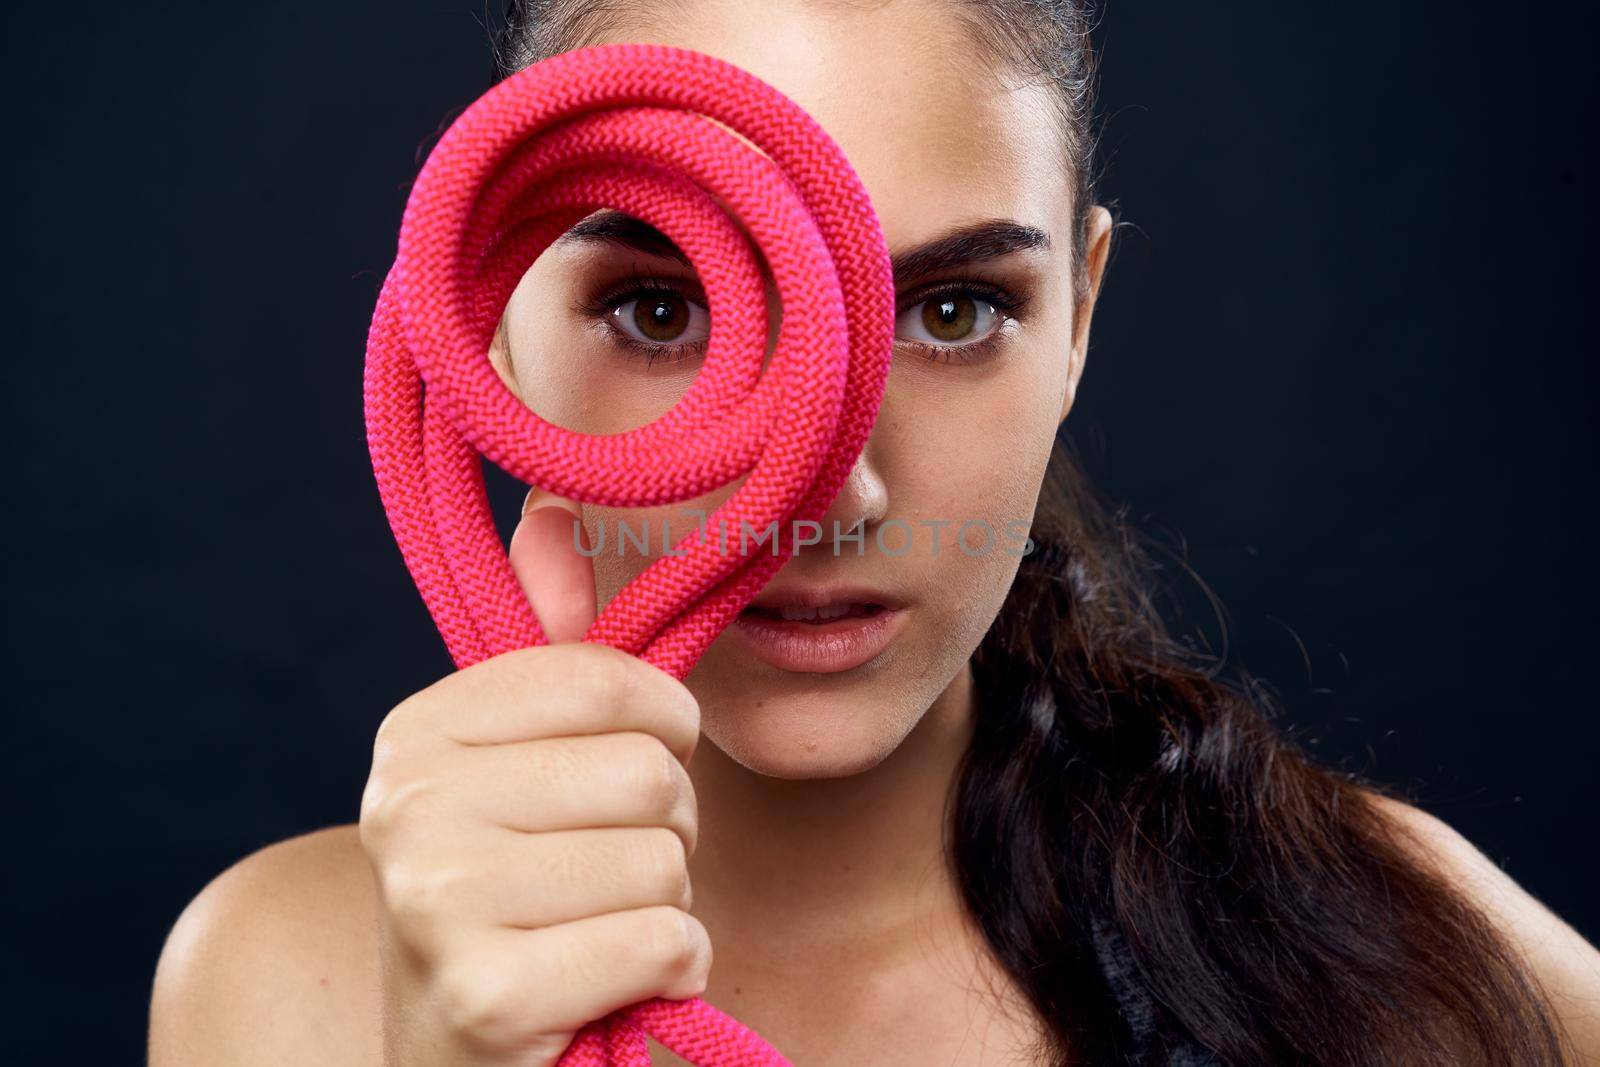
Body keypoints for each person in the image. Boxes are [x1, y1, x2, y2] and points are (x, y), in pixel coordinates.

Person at [147, 1, 1600, 1064]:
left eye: (952, 311)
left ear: (1080, 315)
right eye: (662, 313)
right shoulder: (288, 987)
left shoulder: (1401, 970)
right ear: (493, 325)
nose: (826, 493)